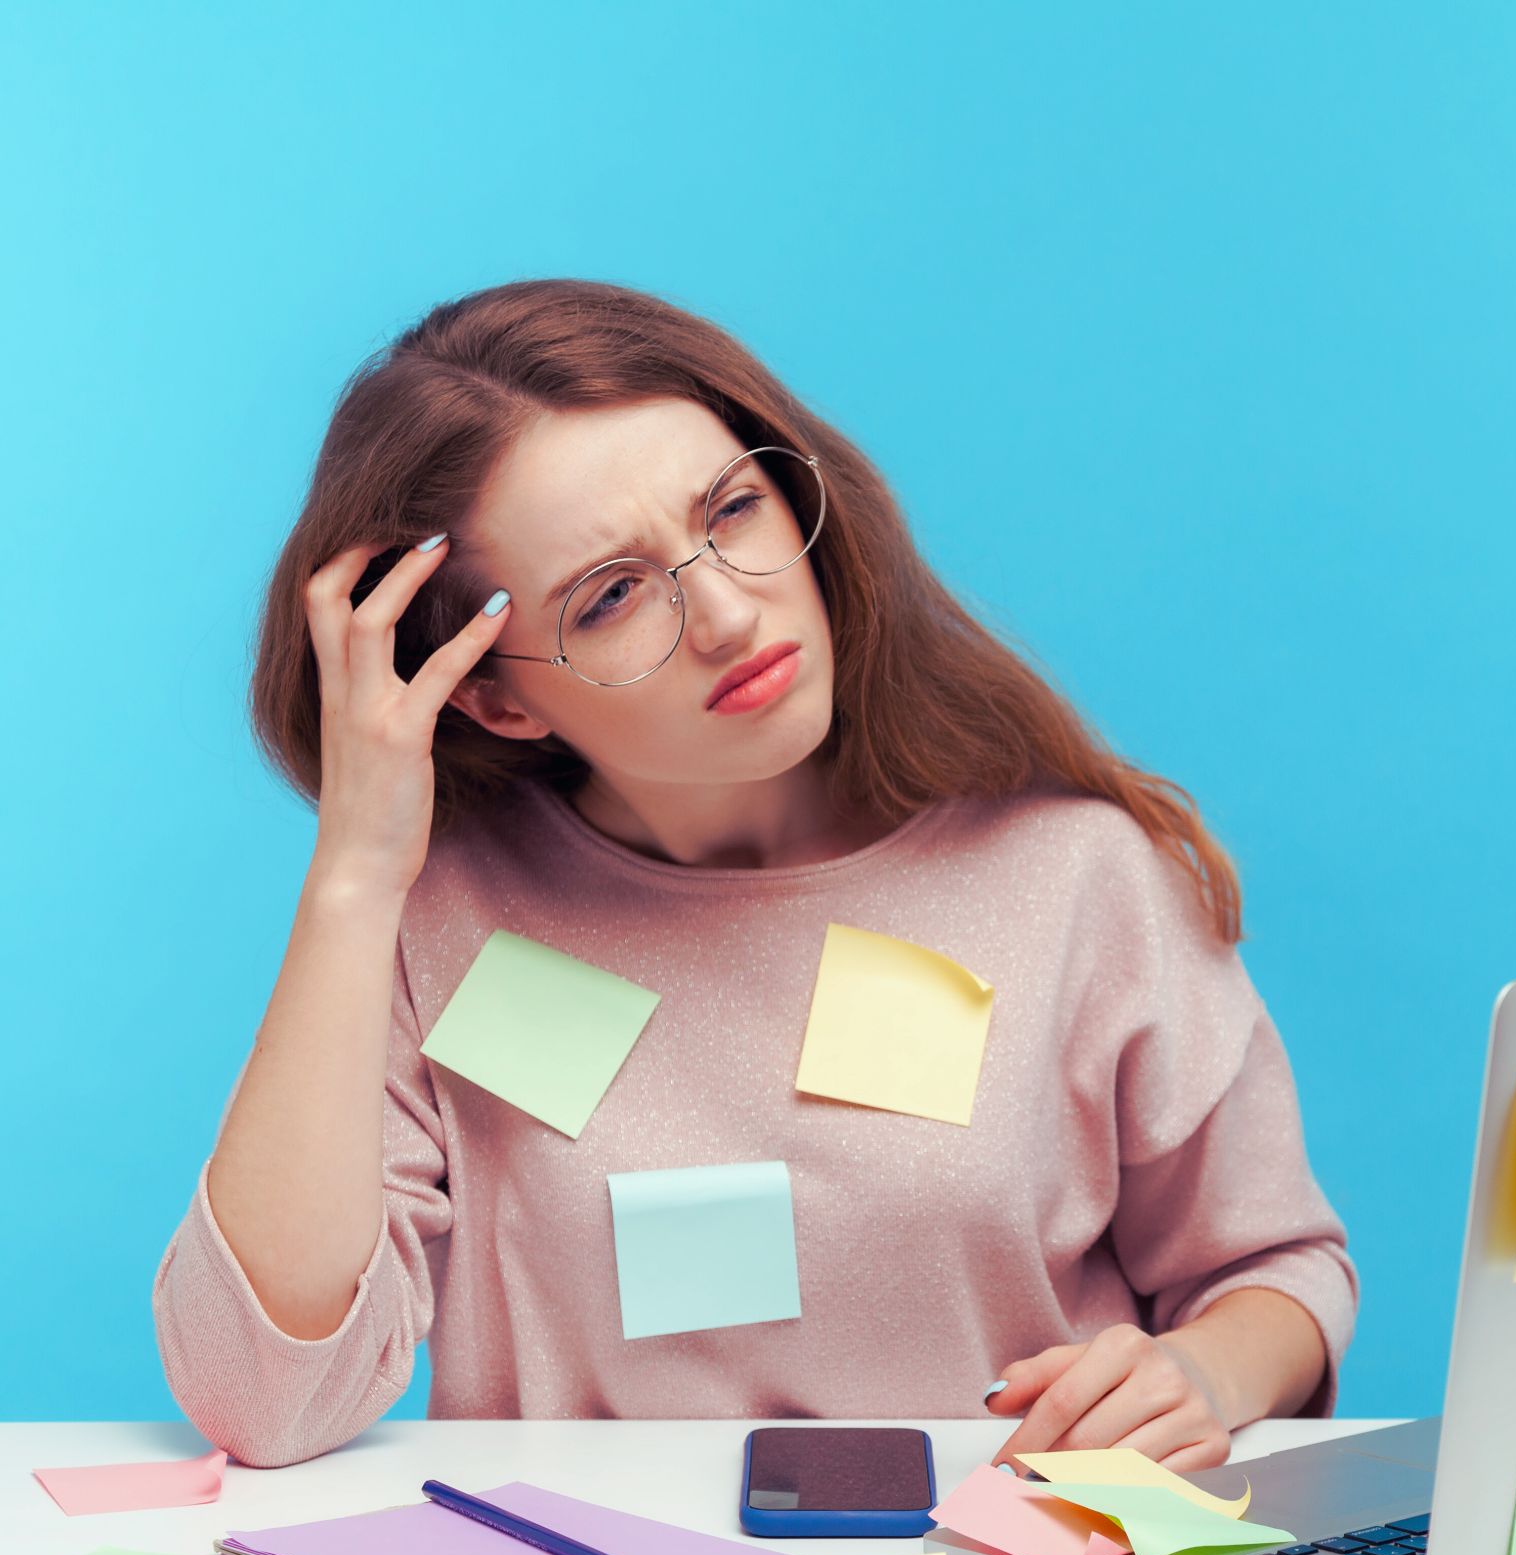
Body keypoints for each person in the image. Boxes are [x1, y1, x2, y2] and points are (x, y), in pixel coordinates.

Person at [151, 278, 1358, 1470]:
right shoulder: (444, 919)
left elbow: (1276, 1271)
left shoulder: (1074, 874)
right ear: (494, 695)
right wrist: (357, 877)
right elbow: (266, 1398)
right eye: (614, 595)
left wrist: (1205, 1371)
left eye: (732, 511)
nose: (730, 615)